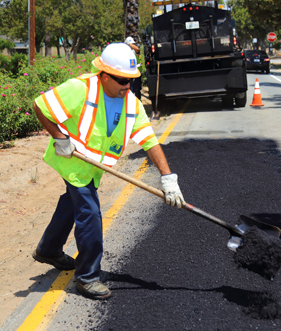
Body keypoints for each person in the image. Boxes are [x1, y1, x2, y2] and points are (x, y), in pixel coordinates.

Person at [31, 43, 185, 300]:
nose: (127, 86)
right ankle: (87, 277)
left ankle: (48, 249)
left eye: (131, 80)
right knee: (89, 212)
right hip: (73, 159)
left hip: (93, 166)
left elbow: (149, 140)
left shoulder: (131, 104)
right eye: (122, 80)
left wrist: (168, 178)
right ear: (104, 75)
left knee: (73, 202)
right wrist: (59, 137)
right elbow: (41, 105)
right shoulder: (80, 89)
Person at [124, 36, 142, 100]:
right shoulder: (125, 52)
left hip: (137, 73)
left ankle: (138, 102)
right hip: (129, 74)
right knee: (130, 90)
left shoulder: (134, 51)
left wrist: (129, 44)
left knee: (137, 90)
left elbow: (137, 49)